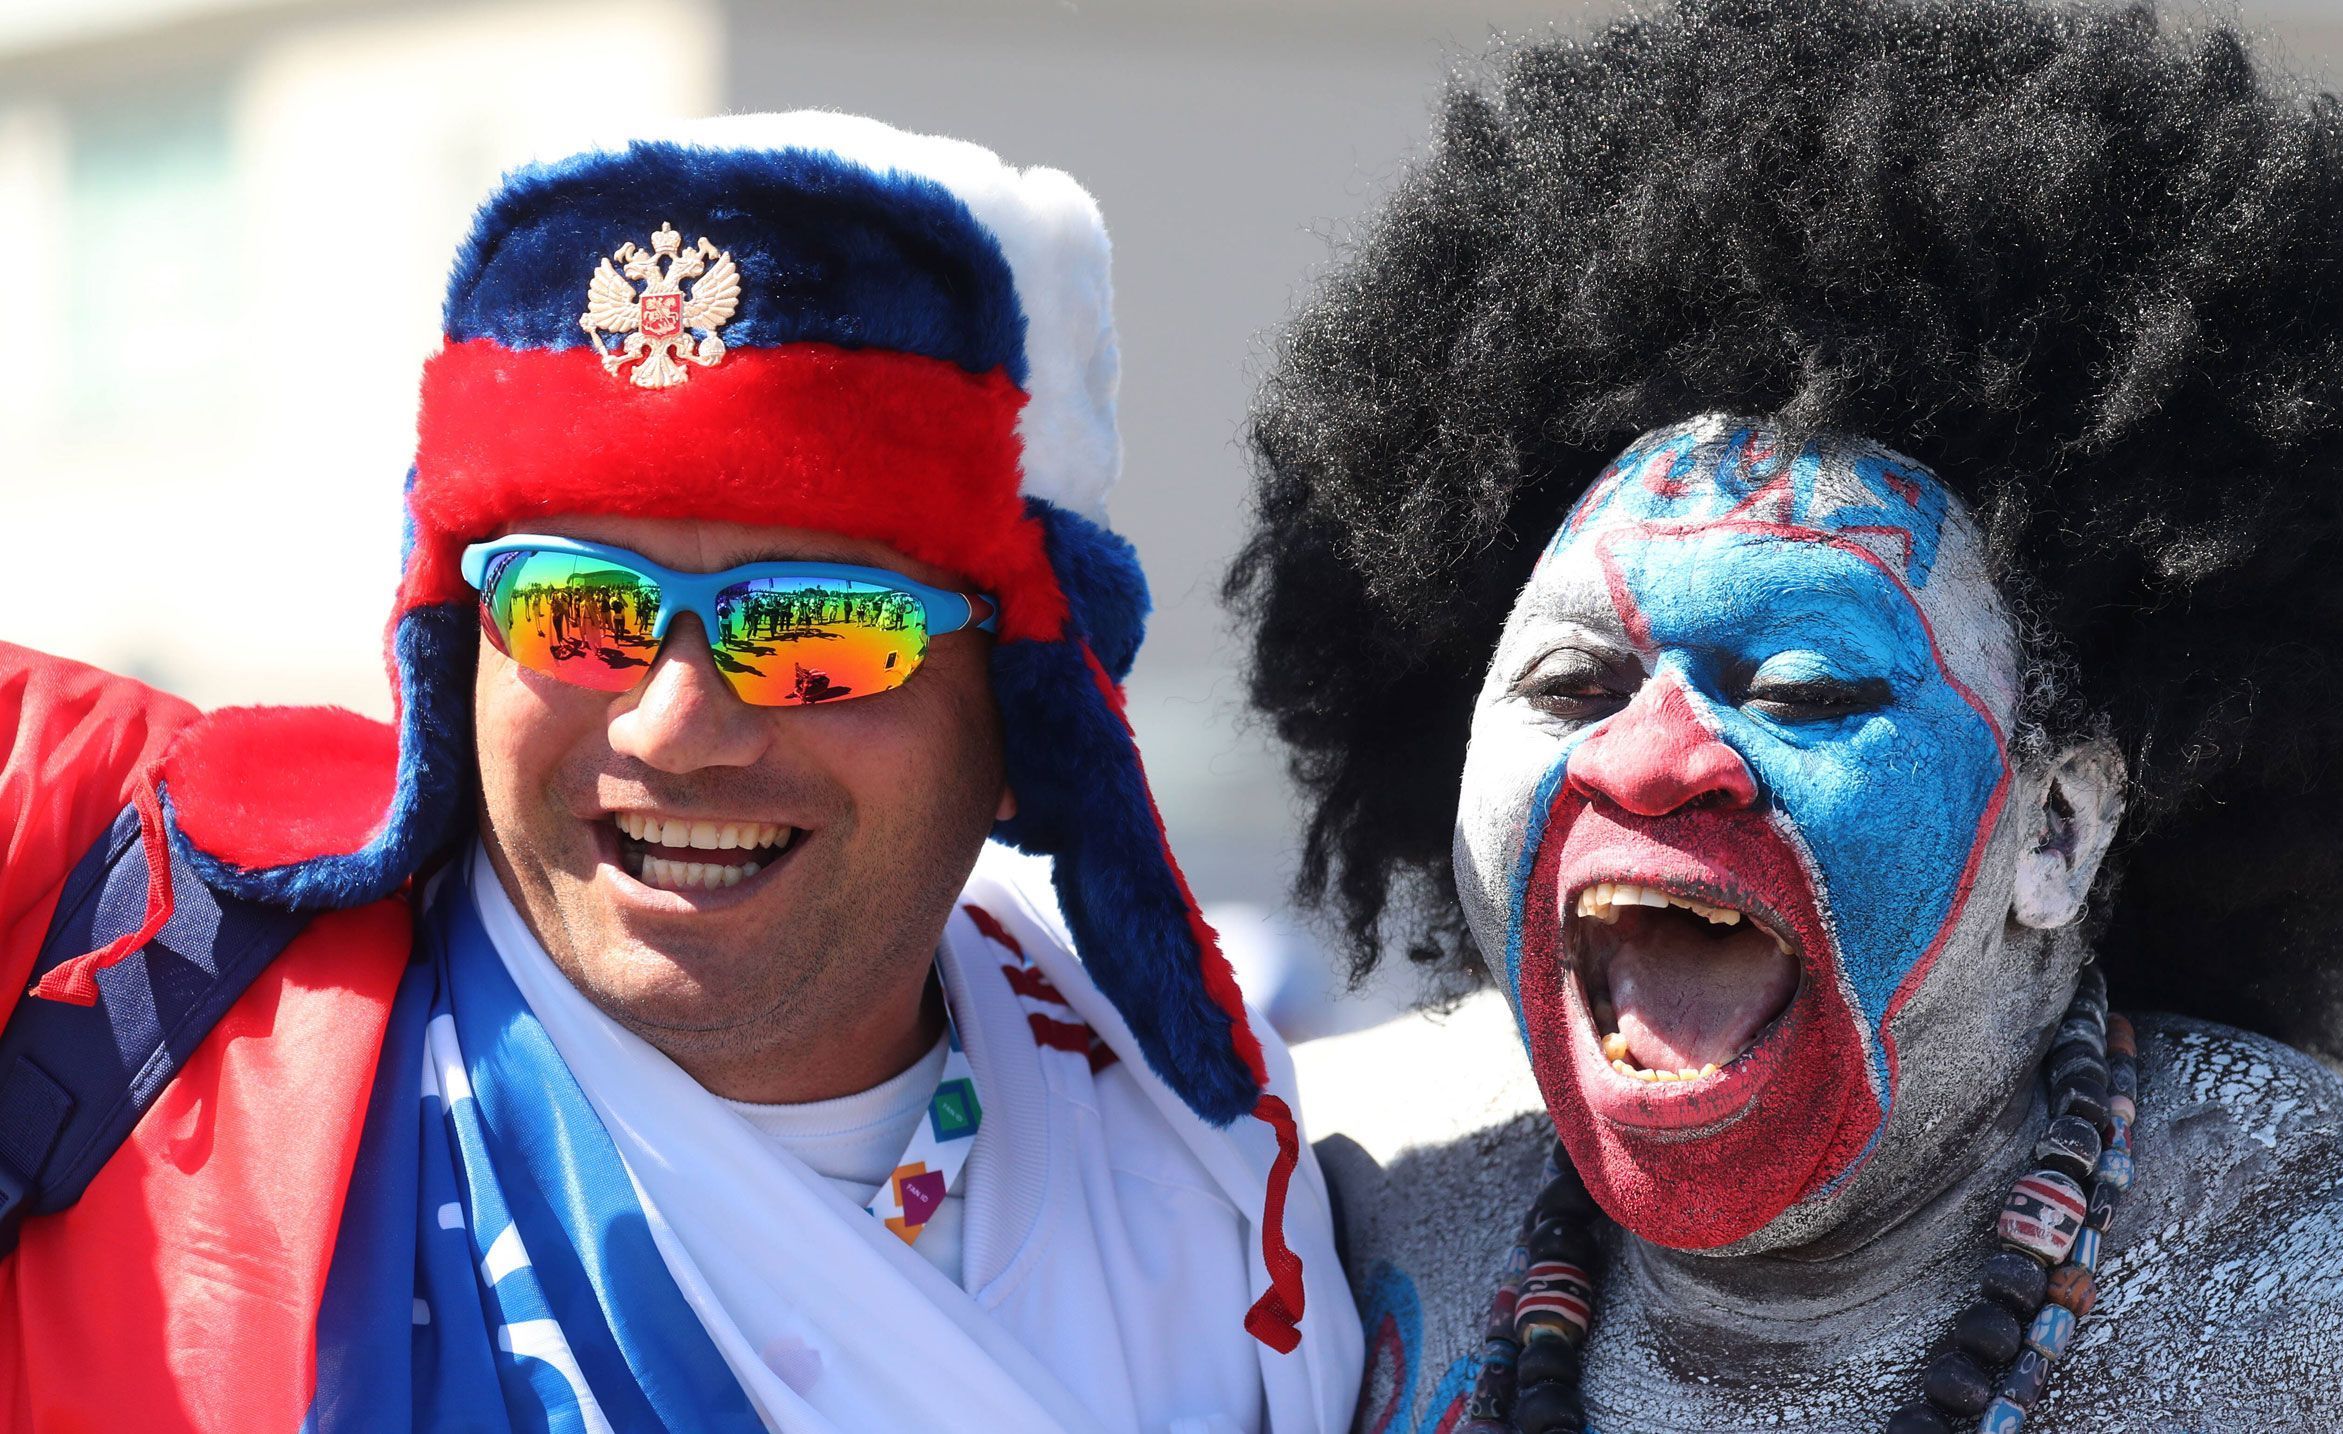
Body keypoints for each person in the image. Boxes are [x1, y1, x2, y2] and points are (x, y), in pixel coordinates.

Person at [1227, 2, 2343, 1429]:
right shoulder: (1324, 1226)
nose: (1654, 758)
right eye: (1571, 686)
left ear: (2059, 826)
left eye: (1801, 692)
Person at [0, 113, 1358, 1431]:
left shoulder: (1223, 1213)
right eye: (577, 608)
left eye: (820, 625)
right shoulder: (136, 917)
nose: (671, 726)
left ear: (1029, 722)